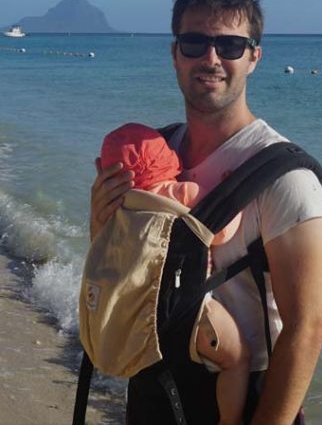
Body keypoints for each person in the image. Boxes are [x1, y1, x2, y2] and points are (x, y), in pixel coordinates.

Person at [91, 0, 322, 425]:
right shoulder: (151, 158)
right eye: (195, 43)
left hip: (246, 399)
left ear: (255, 56)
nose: (212, 57)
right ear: (175, 54)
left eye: (231, 45)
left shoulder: (285, 177)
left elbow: (308, 326)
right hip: (153, 384)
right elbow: (118, 268)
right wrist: (100, 222)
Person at [98, 122, 250, 425]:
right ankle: (230, 420)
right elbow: (220, 233)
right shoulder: (181, 193)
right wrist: (233, 198)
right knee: (238, 359)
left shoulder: (119, 207)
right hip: (187, 311)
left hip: (136, 312)